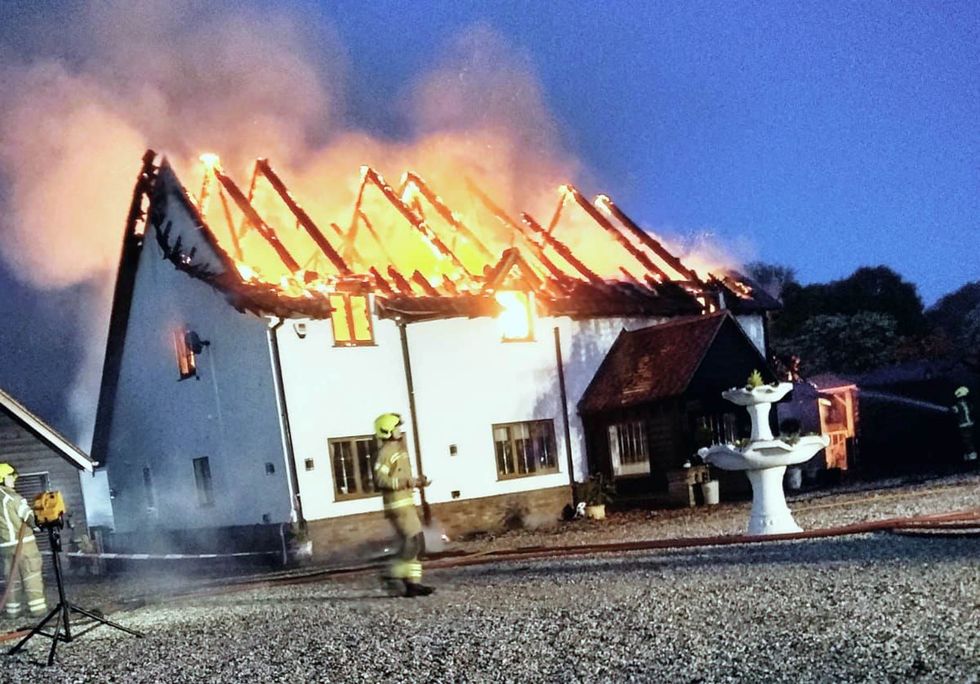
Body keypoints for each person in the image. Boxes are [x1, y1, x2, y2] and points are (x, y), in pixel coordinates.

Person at [372, 413, 434, 597]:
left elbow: (402, 477)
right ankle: (391, 574)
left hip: (406, 504)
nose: (400, 430)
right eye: (396, 427)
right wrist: (406, 482)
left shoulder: (397, 450)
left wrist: (417, 482)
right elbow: (380, 479)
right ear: (387, 431)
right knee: (413, 543)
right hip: (397, 506)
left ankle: (412, 584)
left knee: (417, 544)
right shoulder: (385, 453)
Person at [0, 463, 47, 618]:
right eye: (11, 477)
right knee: (31, 576)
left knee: (11, 580)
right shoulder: (14, 498)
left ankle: (12, 612)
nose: (13, 480)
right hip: (25, 546)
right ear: (3, 479)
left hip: (5, 548)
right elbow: (31, 519)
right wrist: (41, 524)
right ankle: (38, 611)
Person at [951, 387, 977, 463]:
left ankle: (972, 456)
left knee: (966, 441)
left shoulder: (958, 405)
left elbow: (954, 411)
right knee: (968, 440)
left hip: (963, 425)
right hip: (971, 424)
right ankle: (969, 455)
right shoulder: (969, 404)